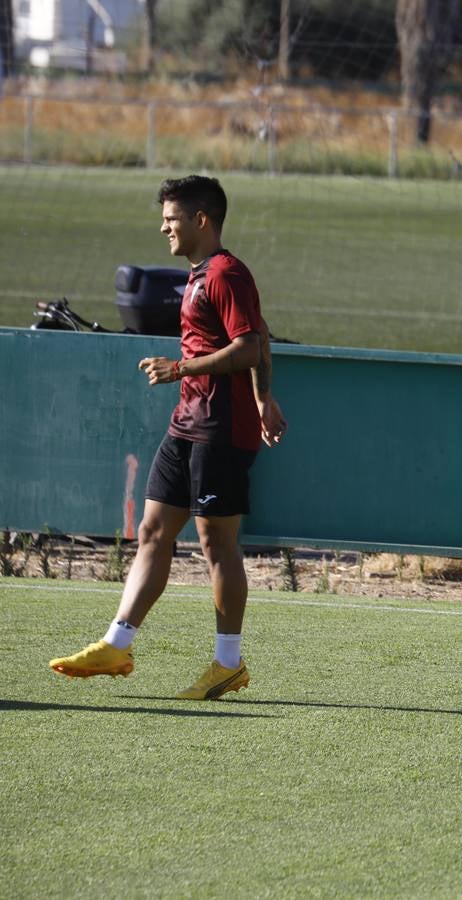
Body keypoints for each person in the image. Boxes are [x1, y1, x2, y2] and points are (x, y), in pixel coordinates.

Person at [49, 175, 287, 700]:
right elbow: (260, 337)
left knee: (216, 544)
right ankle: (116, 643)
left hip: (219, 430)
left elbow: (249, 346)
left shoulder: (226, 273)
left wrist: (186, 370)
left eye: (172, 218)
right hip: (187, 423)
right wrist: (265, 397)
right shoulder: (203, 276)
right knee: (153, 530)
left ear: (201, 220)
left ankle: (228, 662)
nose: (164, 227)